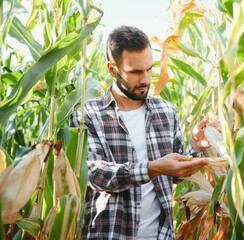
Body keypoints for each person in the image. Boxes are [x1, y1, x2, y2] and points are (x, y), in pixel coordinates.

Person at [71, 25, 214, 240]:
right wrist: (152, 168)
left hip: (160, 235)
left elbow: (174, 175)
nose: (146, 79)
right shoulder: (88, 114)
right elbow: (93, 174)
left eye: (150, 69)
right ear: (112, 69)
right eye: (136, 72)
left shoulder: (166, 111)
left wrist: (195, 146)